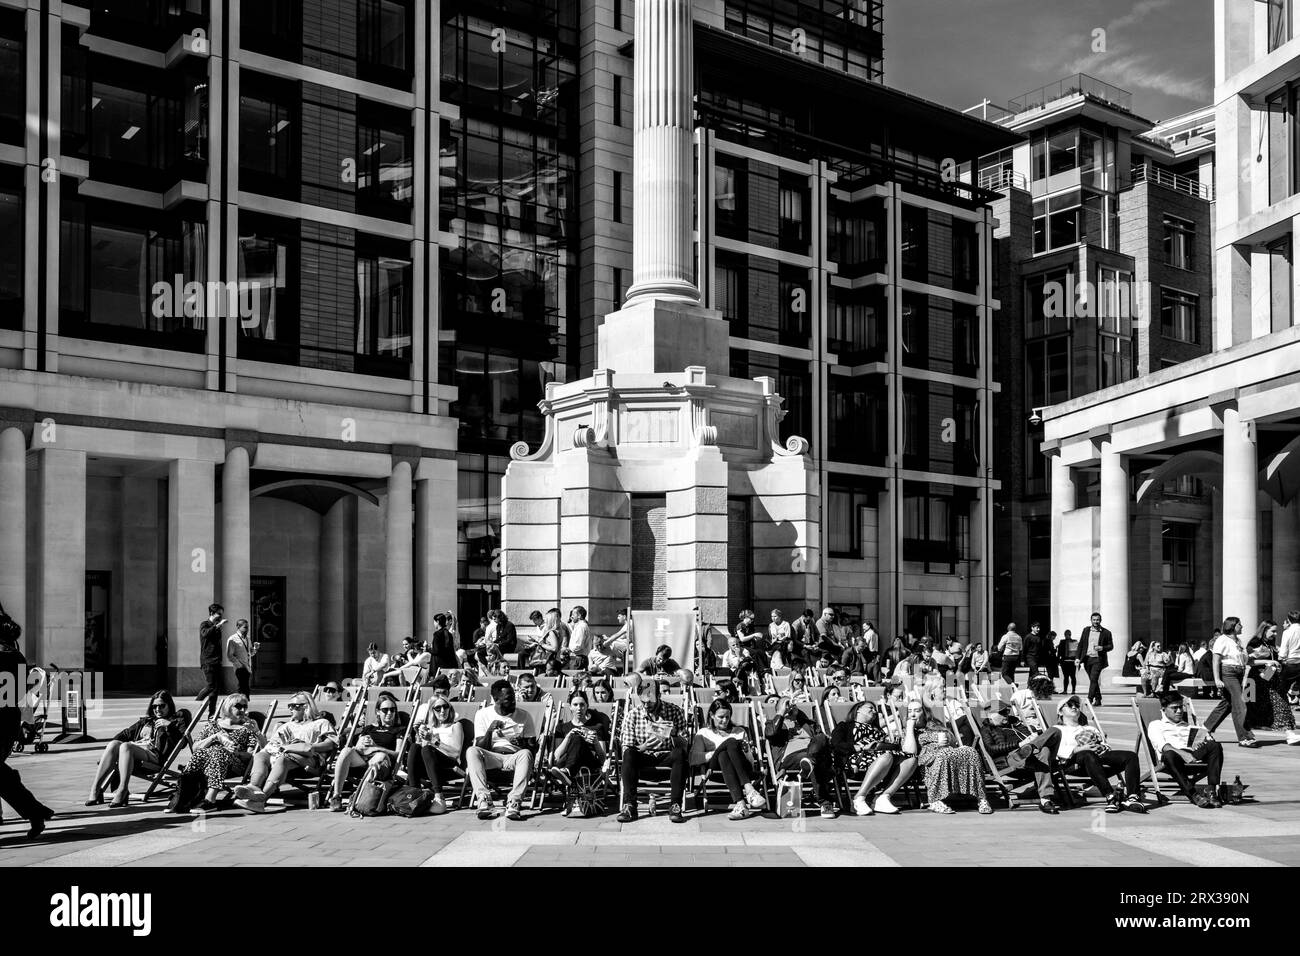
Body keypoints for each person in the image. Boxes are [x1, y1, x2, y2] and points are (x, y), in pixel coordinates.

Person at [0, 607, 54, 838]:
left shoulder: (5, 656)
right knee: (1, 775)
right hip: (6, 724)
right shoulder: (14, 655)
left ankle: (35, 810)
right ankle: (35, 811)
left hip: (1, 724)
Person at [234, 692, 337, 812]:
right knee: (260, 755)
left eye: (293, 705)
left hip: (310, 759)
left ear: (305, 706)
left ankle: (261, 800)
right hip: (283, 756)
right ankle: (254, 788)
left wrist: (308, 746)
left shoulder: (321, 723)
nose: (290, 708)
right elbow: (268, 747)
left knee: (284, 758)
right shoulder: (287, 726)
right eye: (289, 706)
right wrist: (257, 732)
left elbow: (331, 744)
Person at [87, 690, 183, 807]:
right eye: (155, 706)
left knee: (126, 746)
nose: (158, 709)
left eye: (162, 705)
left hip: (154, 755)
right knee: (114, 744)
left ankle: (122, 790)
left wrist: (169, 726)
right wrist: (110, 753)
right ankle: (96, 789)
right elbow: (126, 734)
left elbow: (182, 743)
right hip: (134, 751)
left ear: (169, 705)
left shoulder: (175, 720)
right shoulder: (146, 722)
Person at [616, 673, 690, 823]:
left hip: (667, 756)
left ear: (658, 695)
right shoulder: (633, 715)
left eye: (650, 699)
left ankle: (675, 805)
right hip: (644, 757)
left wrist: (674, 734)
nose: (647, 703)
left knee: (679, 753)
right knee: (629, 754)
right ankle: (630, 805)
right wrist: (644, 746)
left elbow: (685, 745)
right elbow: (627, 747)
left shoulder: (674, 711)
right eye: (643, 700)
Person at [1054, 696, 1145, 813]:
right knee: (1087, 754)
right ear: (1060, 711)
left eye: (1076, 705)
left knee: (1130, 756)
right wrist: (1080, 748)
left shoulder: (1090, 728)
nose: (1074, 707)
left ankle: (1132, 797)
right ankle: (1110, 796)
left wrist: (1101, 747)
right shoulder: (1057, 729)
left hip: (1098, 758)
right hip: (1075, 762)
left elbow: (1105, 746)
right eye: (1070, 705)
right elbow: (1058, 750)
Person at [467, 679, 538, 821]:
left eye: (513, 697)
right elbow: (481, 747)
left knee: (525, 753)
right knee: (471, 751)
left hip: (514, 756)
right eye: (508, 699)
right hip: (492, 755)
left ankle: (514, 802)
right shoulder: (483, 714)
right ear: (496, 700)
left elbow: (532, 749)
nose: (513, 702)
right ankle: (484, 800)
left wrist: (522, 743)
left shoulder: (524, 715)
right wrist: (489, 731)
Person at [830, 699, 916, 816]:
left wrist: (889, 743)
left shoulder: (878, 730)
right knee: (886, 756)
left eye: (875, 709)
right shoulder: (845, 726)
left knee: (911, 760)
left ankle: (883, 797)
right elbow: (836, 744)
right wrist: (861, 748)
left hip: (883, 757)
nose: (874, 711)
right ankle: (859, 798)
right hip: (856, 759)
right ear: (858, 709)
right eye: (870, 708)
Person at [977, 699, 1060, 814]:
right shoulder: (987, 730)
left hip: (1033, 755)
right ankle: (1045, 800)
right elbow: (992, 749)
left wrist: (1033, 737)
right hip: (1012, 757)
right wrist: (1019, 745)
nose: (1006, 715)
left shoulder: (1015, 723)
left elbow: (1028, 734)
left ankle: (1032, 747)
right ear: (991, 715)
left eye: (1007, 711)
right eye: (1002, 713)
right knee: (1044, 752)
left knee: (1055, 731)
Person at [909, 699, 991, 814]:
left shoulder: (935, 724)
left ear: (924, 713)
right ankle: (934, 800)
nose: (912, 714)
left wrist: (947, 739)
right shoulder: (909, 729)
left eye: (917, 711)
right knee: (943, 755)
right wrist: (910, 728)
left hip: (947, 750)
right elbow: (909, 750)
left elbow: (952, 739)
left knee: (971, 752)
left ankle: (981, 799)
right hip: (927, 759)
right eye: (910, 711)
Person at [689, 699, 766, 819]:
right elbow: (693, 759)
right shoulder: (704, 733)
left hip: (741, 767)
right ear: (711, 715)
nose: (725, 720)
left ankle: (741, 804)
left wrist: (746, 752)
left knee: (724, 755)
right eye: (721, 717)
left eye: (727, 717)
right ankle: (749, 789)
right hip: (715, 767)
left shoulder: (739, 731)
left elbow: (750, 763)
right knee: (729, 743)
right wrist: (716, 751)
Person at [328, 691, 404, 811]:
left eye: (392, 710)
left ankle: (358, 796)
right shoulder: (369, 728)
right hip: (363, 760)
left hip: (382, 764)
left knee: (380, 756)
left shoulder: (399, 730)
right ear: (378, 712)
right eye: (385, 710)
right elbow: (357, 748)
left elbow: (398, 754)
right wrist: (361, 744)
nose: (389, 713)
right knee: (346, 751)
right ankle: (336, 796)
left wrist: (376, 747)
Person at [187, 693, 263, 811]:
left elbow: (250, 755)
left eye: (245, 707)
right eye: (238, 706)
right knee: (200, 753)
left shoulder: (247, 728)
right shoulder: (212, 725)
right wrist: (214, 737)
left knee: (219, 751)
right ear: (228, 707)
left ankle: (210, 799)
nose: (242, 710)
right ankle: (183, 797)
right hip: (207, 763)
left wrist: (236, 753)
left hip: (234, 765)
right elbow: (195, 748)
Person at [1148, 692, 1224, 808]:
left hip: (1193, 756)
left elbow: (1207, 743)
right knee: (1169, 754)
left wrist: (1206, 740)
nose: (1179, 711)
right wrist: (1184, 754)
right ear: (1163, 709)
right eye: (1174, 708)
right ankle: (1193, 794)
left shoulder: (1189, 727)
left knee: (1215, 746)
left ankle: (1211, 791)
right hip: (1173, 760)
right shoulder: (1156, 725)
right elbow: (1163, 746)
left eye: (1180, 707)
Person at [765, 697, 837, 818]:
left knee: (820, 738)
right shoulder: (774, 724)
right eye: (786, 704)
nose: (790, 705)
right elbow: (770, 733)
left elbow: (823, 741)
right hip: (790, 759)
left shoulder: (809, 725)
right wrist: (781, 712)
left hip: (812, 754)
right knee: (814, 759)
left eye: (793, 704)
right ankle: (825, 803)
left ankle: (809, 762)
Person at [1203, 616, 1259, 747]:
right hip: (1229, 673)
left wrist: (1256, 656)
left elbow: (1244, 660)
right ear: (1232, 626)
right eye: (1239, 624)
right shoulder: (1222, 640)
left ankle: (1205, 729)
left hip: (1239, 673)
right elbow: (1215, 660)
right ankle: (1244, 736)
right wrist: (1217, 679)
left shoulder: (1238, 641)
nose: (1242, 626)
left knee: (1228, 704)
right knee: (1240, 703)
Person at [405, 693, 461, 813]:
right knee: (415, 747)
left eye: (445, 707)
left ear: (450, 708)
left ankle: (439, 796)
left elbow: (456, 753)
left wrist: (435, 741)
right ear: (432, 711)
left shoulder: (456, 726)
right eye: (437, 708)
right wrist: (419, 735)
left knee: (427, 749)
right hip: (430, 766)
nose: (442, 711)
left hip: (449, 765)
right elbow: (422, 752)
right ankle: (414, 793)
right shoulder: (431, 728)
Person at [551, 690, 610, 786]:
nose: (579, 708)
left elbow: (603, 760)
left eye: (582, 705)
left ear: (587, 706)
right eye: (575, 705)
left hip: (589, 764)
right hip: (565, 762)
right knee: (575, 737)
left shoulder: (597, 727)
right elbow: (556, 758)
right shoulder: (561, 727)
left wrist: (595, 741)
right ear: (570, 706)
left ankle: (567, 772)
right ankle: (568, 771)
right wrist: (568, 737)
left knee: (578, 738)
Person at [1078, 612, 1113, 706]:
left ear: (1100, 620)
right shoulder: (1086, 630)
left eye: (1097, 620)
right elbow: (1081, 644)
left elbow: (1111, 646)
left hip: (1098, 659)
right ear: (1091, 620)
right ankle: (1098, 699)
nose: (1096, 621)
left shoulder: (1106, 632)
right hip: (1087, 659)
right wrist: (1077, 658)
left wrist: (1102, 648)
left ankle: (1089, 699)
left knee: (1093, 678)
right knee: (1093, 680)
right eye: (1094, 620)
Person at [197, 603, 226, 703]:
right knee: (211, 686)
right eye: (219, 614)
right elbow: (205, 634)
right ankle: (196, 702)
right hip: (208, 660)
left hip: (217, 660)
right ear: (211, 613)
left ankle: (211, 713)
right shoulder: (204, 624)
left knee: (215, 688)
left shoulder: (216, 627)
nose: (221, 616)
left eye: (222, 614)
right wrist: (218, 625)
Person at [589, 608, 630, 675]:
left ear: (625, 617)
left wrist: (605, 644)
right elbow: (620, 637)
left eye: (619, 616)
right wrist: (608, 638)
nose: (617, 618)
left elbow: (617, 635)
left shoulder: (629, 624)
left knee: (612, 644)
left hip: (628, 647)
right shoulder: (591, 653)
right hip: (624, 648)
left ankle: (618, 657)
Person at [1280, 610, 1300, 744]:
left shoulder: (1288, 632)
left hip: (1291, 664)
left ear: (1289, 620)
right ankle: (1294, 692)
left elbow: (1282, 653)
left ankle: (1291, 695)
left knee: (1280, 692)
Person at [225, 619, 257, 697]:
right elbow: (230, 655)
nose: (247, 629)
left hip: (247, 667)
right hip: (239, 667)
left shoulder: (247, 638)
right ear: (238, 627)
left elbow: (250, 653)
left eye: (248, 627)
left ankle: (242, 704)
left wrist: (255, 648)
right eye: (245, 627)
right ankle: (239, 704)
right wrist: (238, 664)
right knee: (243, 687)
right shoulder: (233, 639)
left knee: (245, 688)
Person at [566, 606, 592, 670]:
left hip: (578, 659)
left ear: (579, 615)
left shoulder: (581, 627)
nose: (571, 616)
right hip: (578, 658)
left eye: (573, 614)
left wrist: (568, 649)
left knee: (576, 679)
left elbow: (578, 646)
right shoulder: (580, 626)